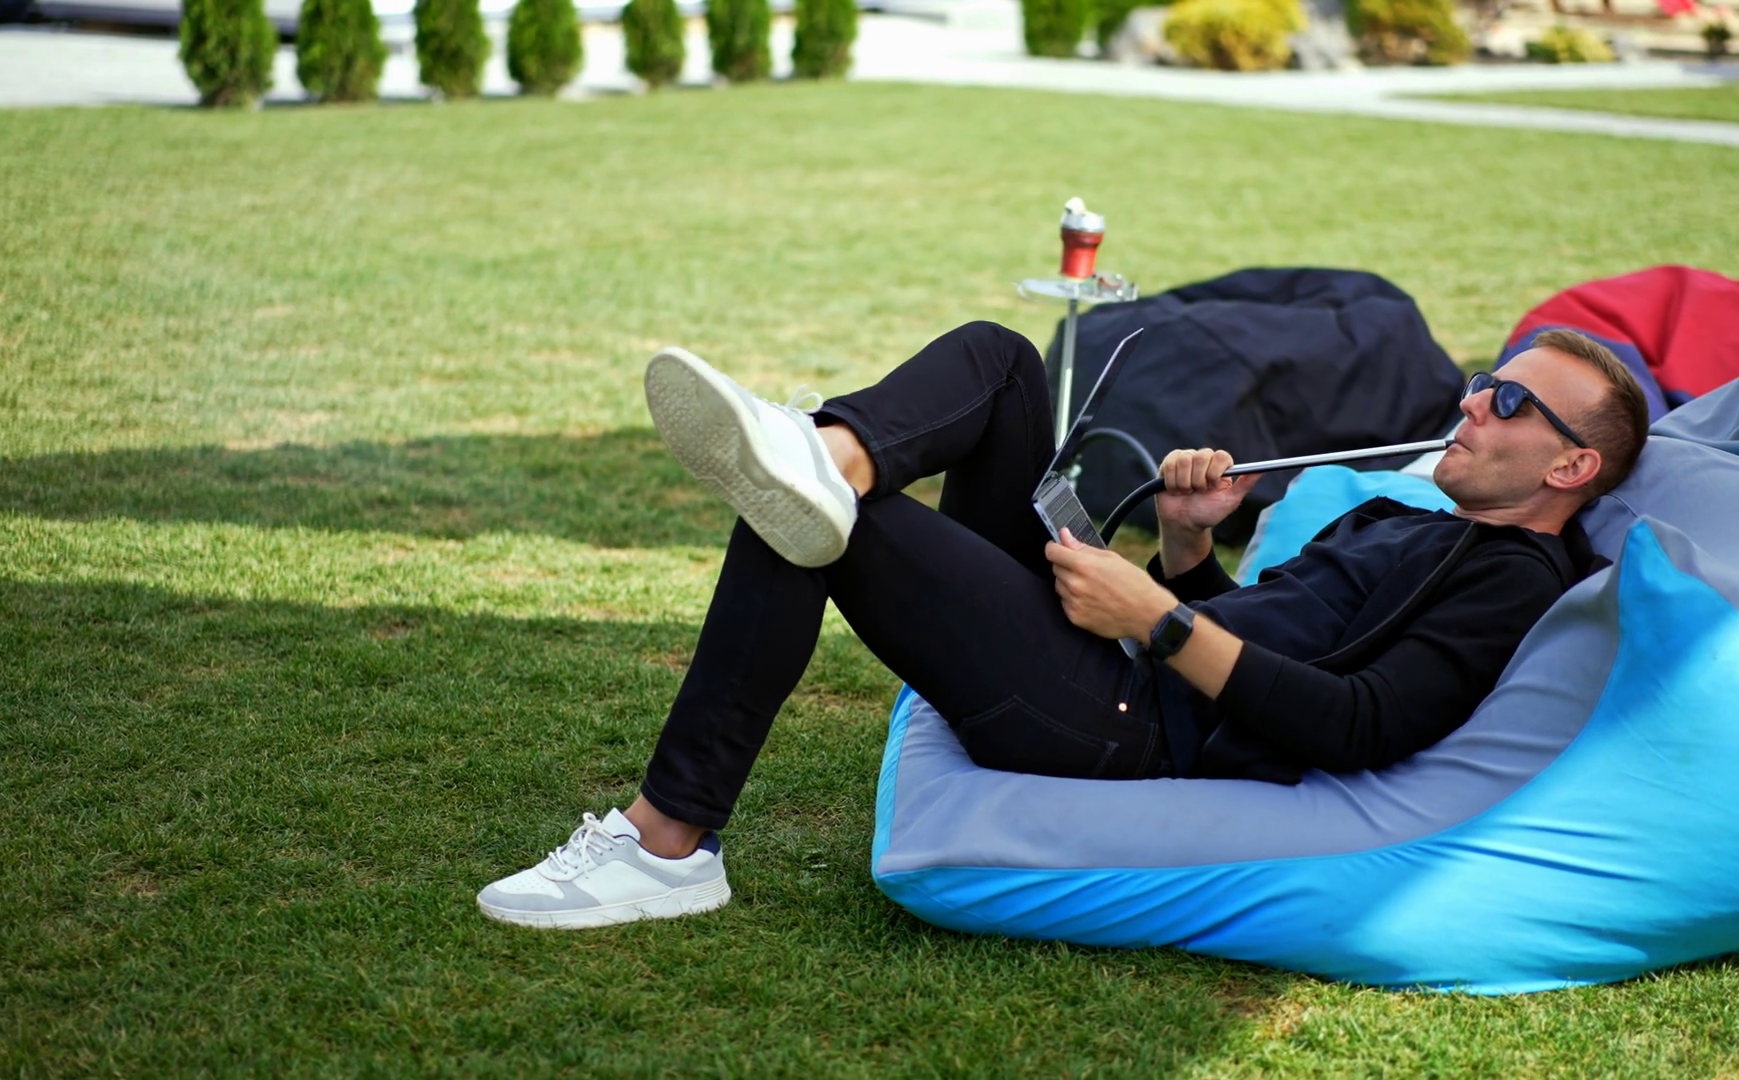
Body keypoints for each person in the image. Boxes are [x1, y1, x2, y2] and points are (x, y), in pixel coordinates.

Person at [476, 321, 1650, 929]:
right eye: (1482, 380)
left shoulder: (1515, 582)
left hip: (1123, 719)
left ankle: (667, 845)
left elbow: (1356, 724)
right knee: (999, 365)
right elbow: (1262, 626)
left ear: (1572, 465)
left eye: (1508, 401)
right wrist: (1185, 547)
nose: (1470, 402)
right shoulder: (1409, 517)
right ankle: (827, 452)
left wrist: (1155, 620)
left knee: (818, 522)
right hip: (1125, 651)